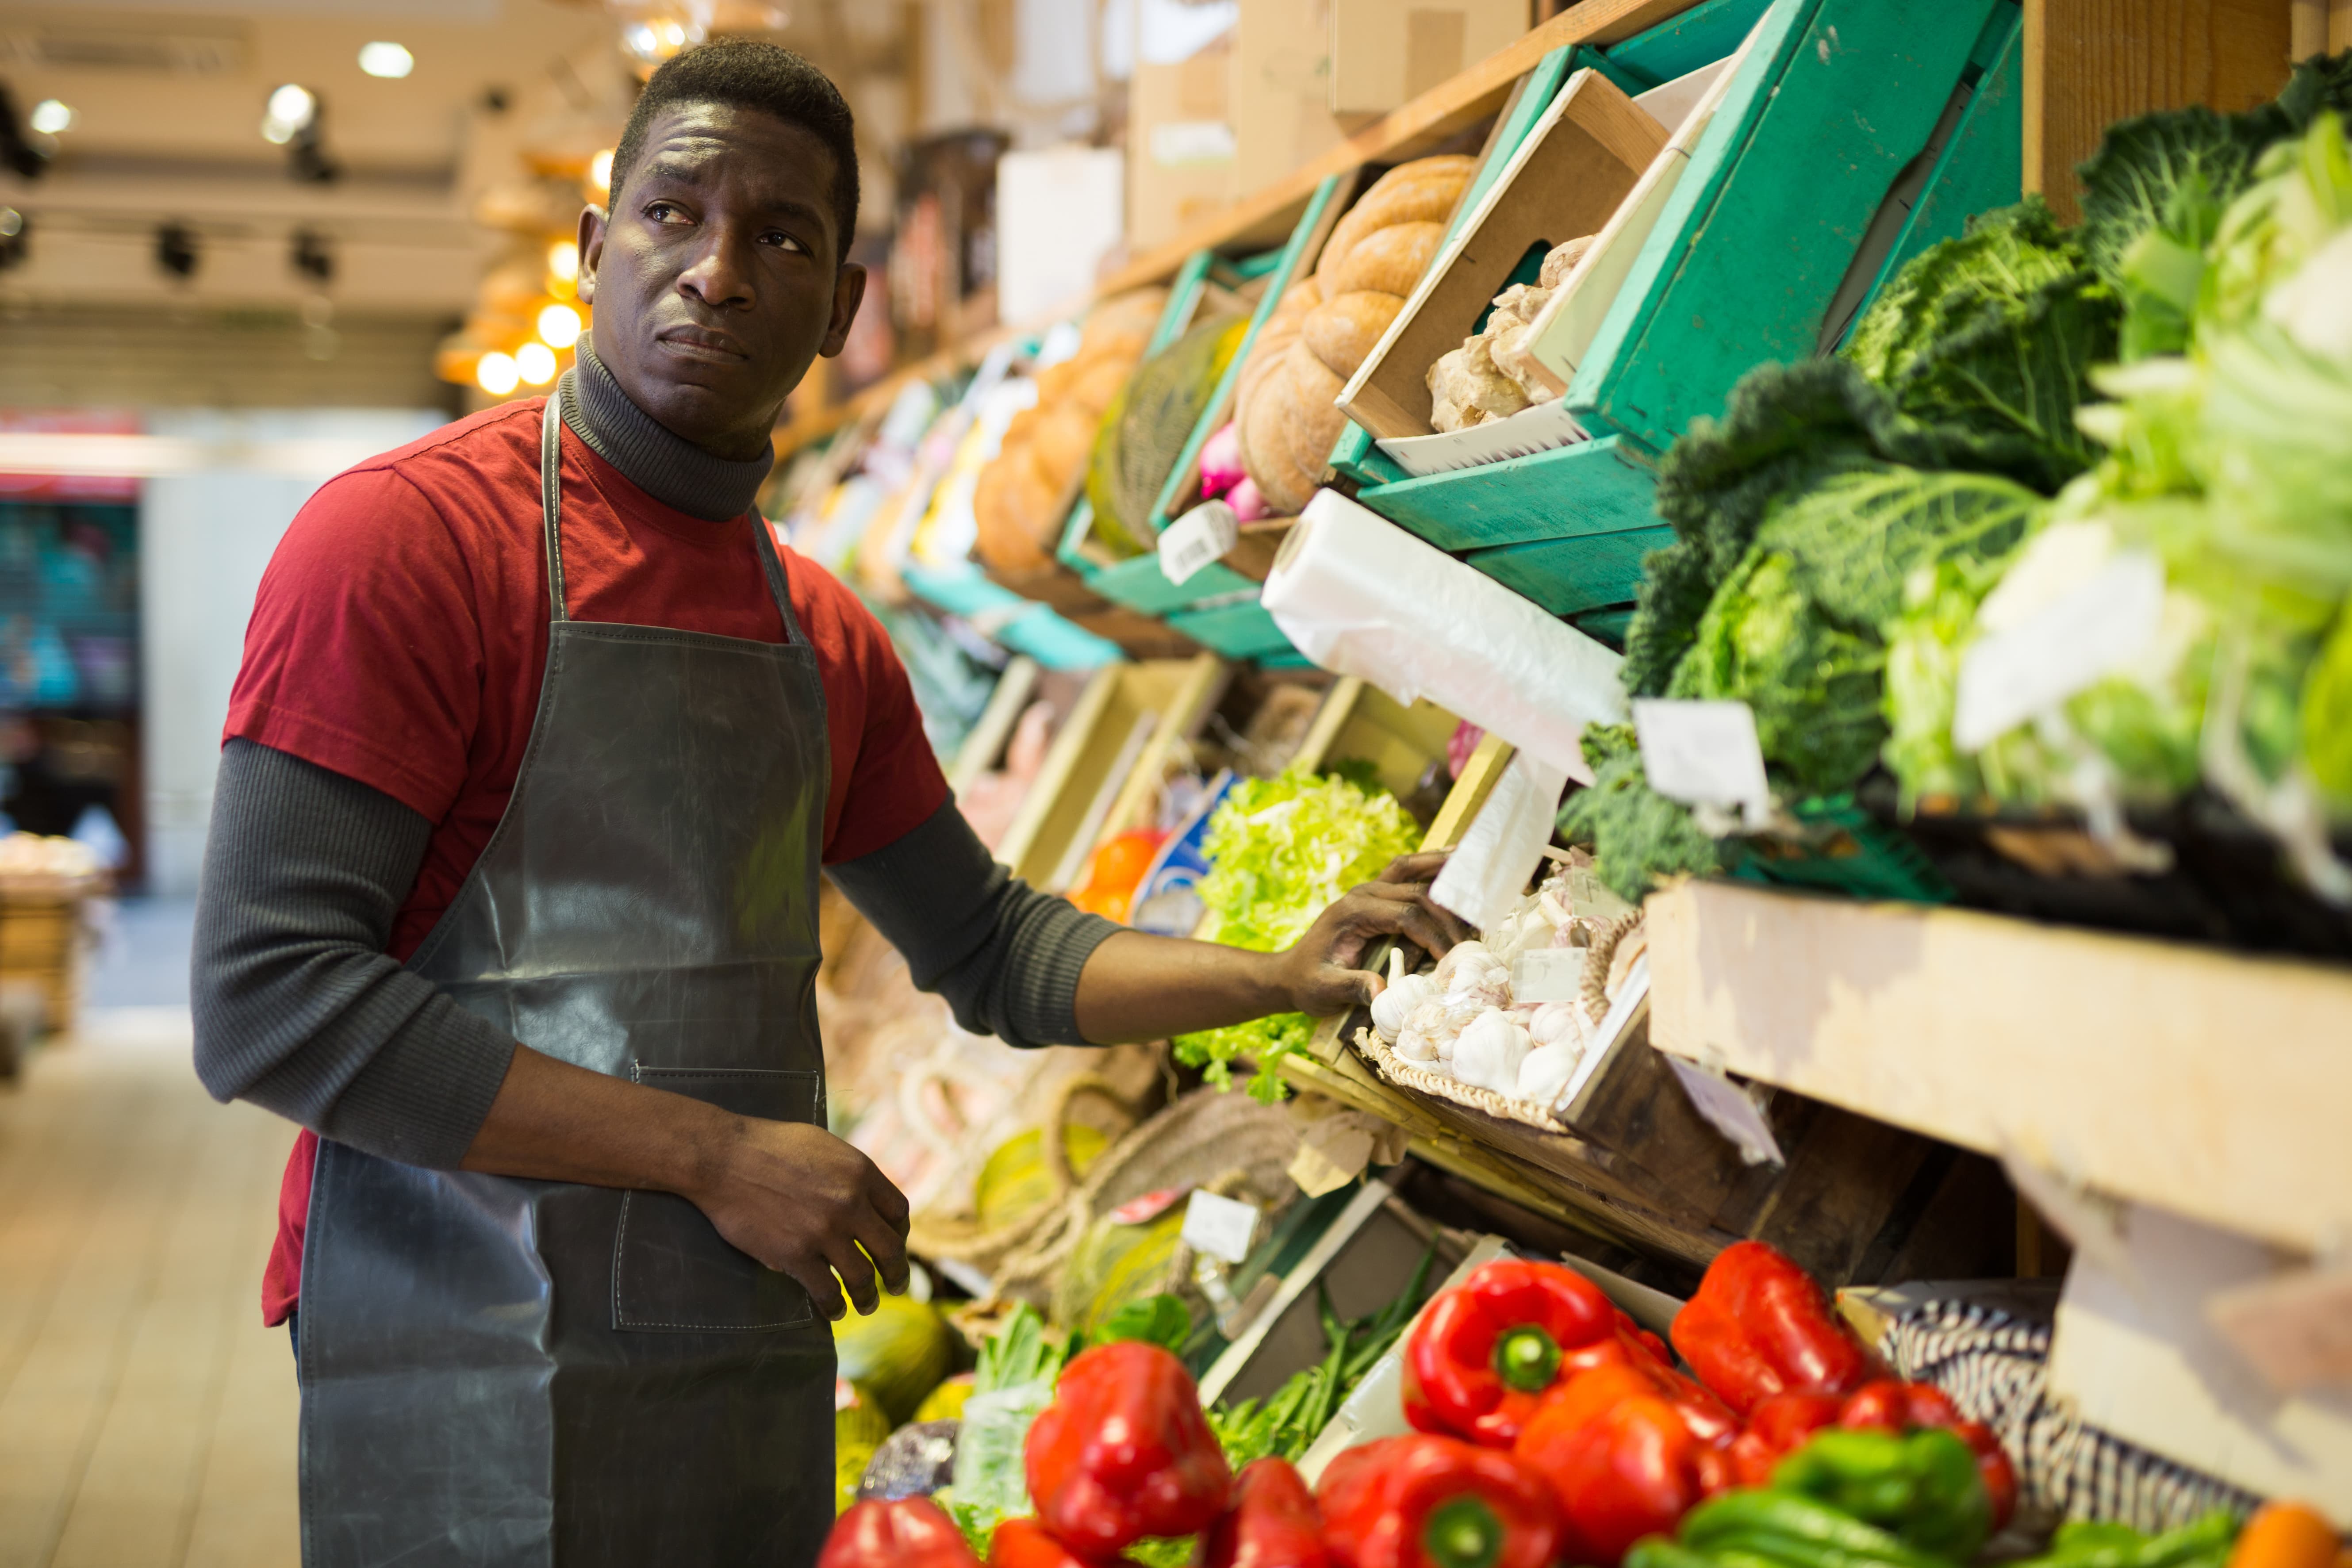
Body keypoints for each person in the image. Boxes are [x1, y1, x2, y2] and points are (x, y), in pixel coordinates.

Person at [190, 38, 1466, 1568]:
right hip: (452, 1330)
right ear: (597, 253)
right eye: (672, 215)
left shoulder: (820, 636)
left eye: (781, 236)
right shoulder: (404, 546)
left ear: (842, 308)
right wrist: (714, 1155)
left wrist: (1272, 975)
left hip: (731, 1339)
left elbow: (992, 949)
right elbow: (271, 1001)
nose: (717, 273)